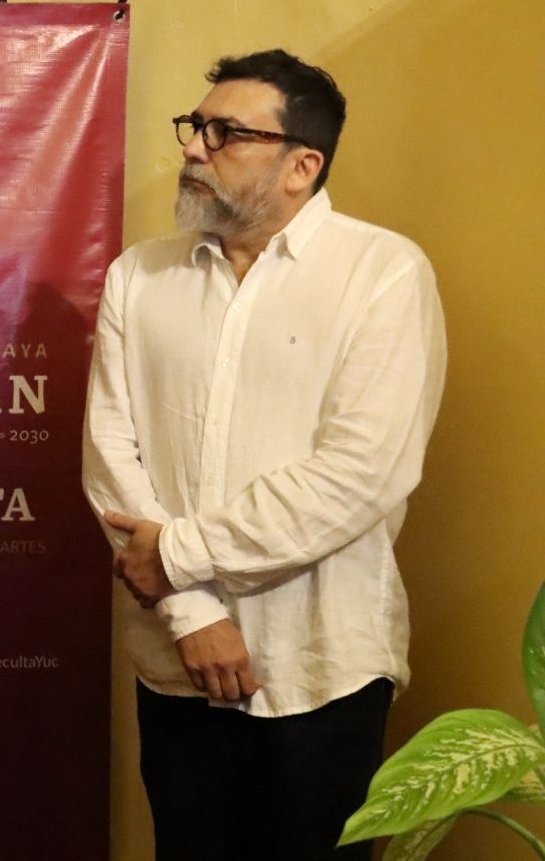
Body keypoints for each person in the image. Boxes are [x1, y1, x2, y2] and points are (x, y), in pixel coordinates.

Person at [82, 49, 446, 860]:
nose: (193, 147)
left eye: (226, 132)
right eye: (194, 126)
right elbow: (111, 455)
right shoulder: (140, 275)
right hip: (174, 660)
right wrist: (193, 611)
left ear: (301, 165)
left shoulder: (382, 273)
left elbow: (360, 474)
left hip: (322, 660)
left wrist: (179, 555)